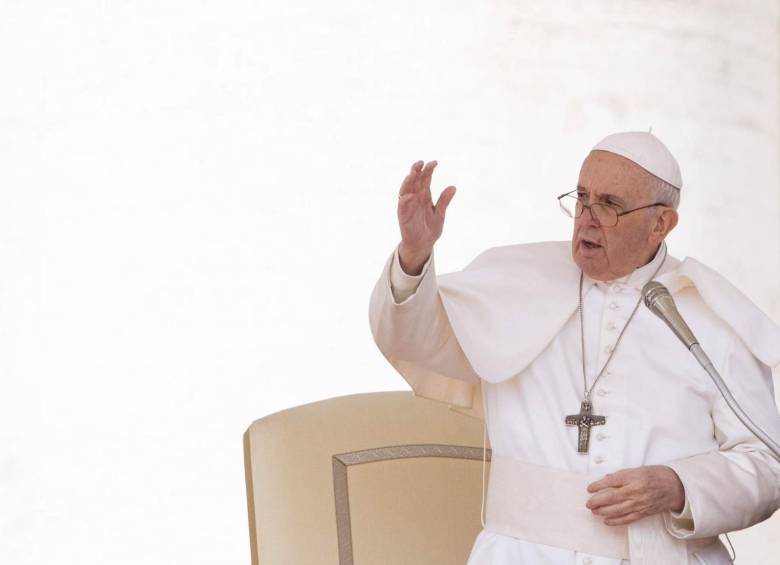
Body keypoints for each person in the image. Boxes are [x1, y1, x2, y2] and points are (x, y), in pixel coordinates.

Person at [368, 131, 780, 564]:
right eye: (582, 198)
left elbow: (769, 463)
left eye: (610, 205)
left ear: (661, 224)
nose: (587, 218)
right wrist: (414, 255)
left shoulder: (709, 316)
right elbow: (411, 339)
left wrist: (679, 485)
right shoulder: (516, 282)